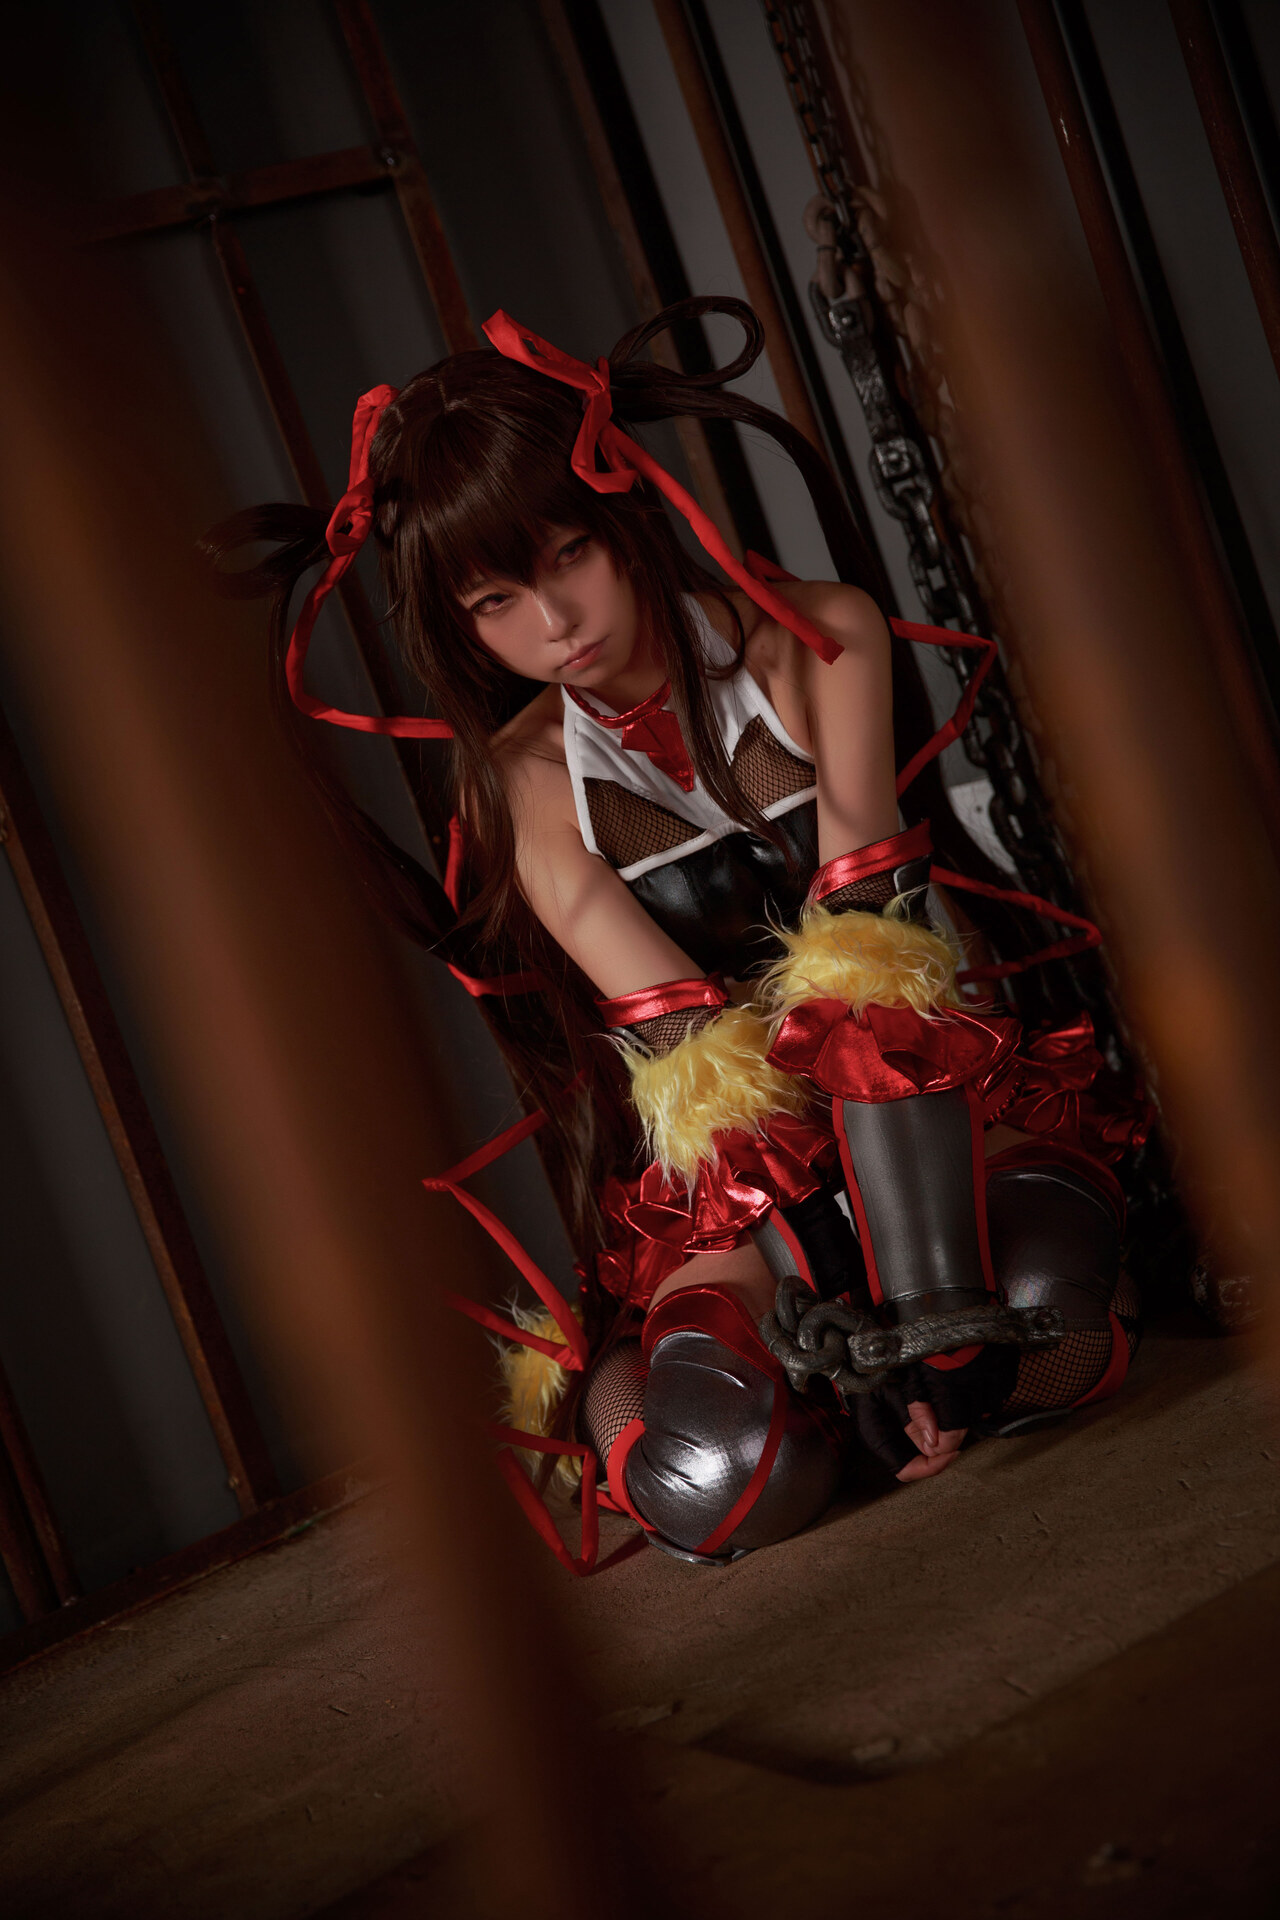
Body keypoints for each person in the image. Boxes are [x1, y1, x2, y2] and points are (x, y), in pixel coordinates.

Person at [207, 297, 1146, 1570]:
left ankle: (923, 1360)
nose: (552, 621)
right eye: (495, 600)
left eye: (568, 554)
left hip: (932, 1098)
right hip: (743, 1172)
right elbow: (708, 1071)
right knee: (719, 1473)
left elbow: (868, 970)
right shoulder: (523, 786)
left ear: (626, 513)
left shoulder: (820, 639)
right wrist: (844, 1318)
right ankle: (712, 1385)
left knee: (1046, 1324)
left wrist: (932, 1326)